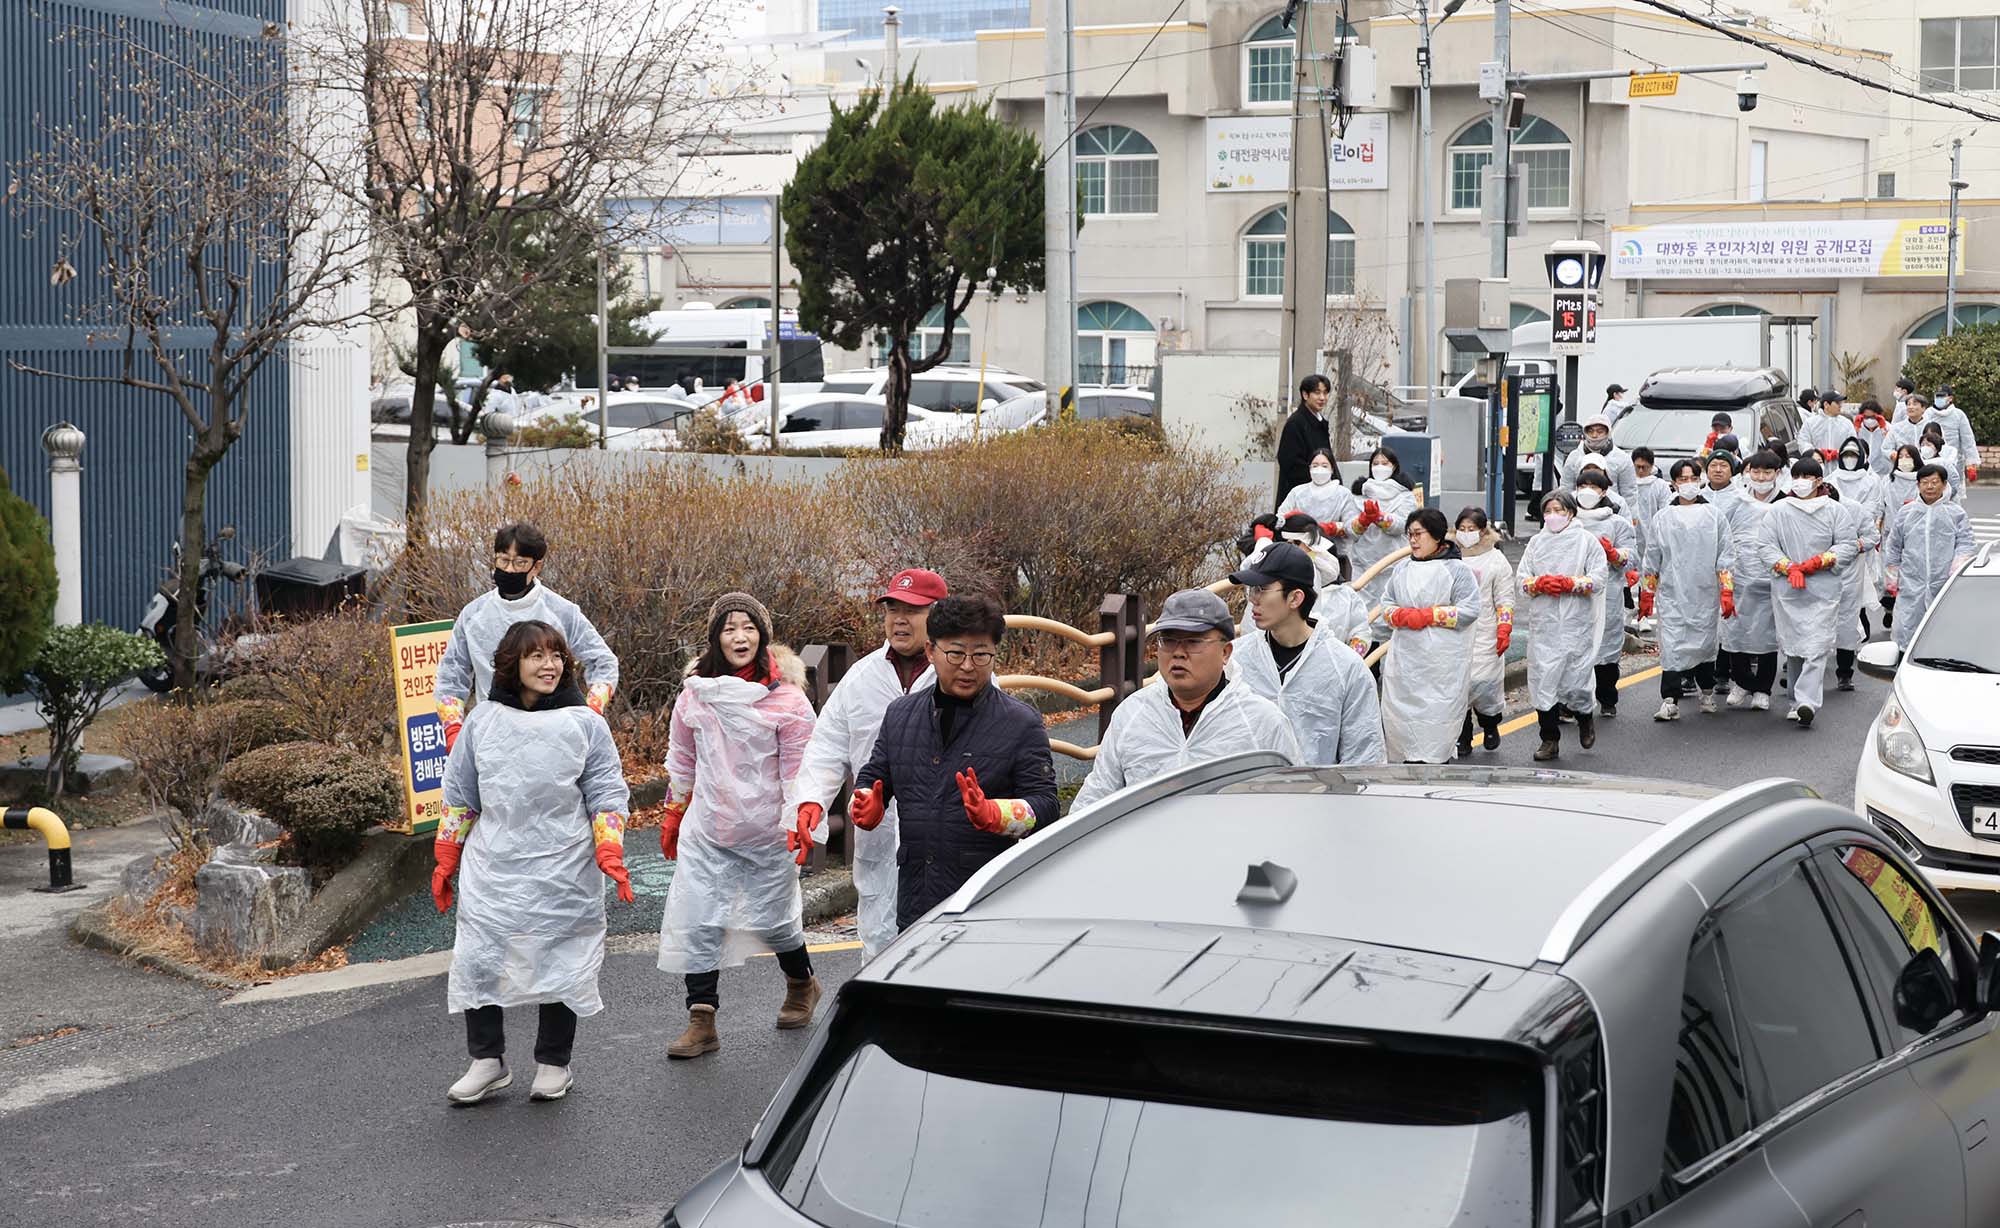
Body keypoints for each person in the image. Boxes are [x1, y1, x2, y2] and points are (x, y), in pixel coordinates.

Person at [435, 620, 633, 1105]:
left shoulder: (585, 723)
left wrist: (609, 847)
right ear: (512, 663)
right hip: (494, 860)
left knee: (560, 953)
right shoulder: (482, 722)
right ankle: (487, 1060)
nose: (550, 665)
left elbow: (606, 792)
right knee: (480, 955)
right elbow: (460, 794)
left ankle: (553, 1062)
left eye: (557, 655)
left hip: (564, 859)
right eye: (537, 656)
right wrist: (446, 856)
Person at [654, 593, 821, 1059]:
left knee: (775, 920)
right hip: (709, 829)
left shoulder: (788, 700)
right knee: (699, 920)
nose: (740, 637)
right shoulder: (696, 694)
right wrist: (674, 811)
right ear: (716, 638)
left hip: (768, 831)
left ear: (763, 636)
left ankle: (802, 984)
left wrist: (799, 820)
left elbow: (798, 770)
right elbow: (682, 758)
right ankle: (701, 1020)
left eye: (749, 627)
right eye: (729, 628)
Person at [853, 595, 1059, 928]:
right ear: (931, 651)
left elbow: (1046, 805)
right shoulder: (900, 715)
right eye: (956, 653)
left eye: (981, 654)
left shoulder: (1021, 723)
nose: (968, 666)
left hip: (987, 903)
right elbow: (875, 775)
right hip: (916, 900)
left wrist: (998, 814)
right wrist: (865, 801)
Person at [790, 568, 946, 958]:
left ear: (938, 614)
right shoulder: (861, 677)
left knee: (940, 945)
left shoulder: (960, 674)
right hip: (878, 833)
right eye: (892, 609)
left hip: (945, 838)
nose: (899, 619)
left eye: (912, 610)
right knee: (879, 944)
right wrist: (811, 801)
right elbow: (827, 746)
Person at [1073, 589, 1300, 810]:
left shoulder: (1262, 722)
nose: (1178, 652)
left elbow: (1293, 805)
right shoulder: (1132, 714)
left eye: (1193, 641)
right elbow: (1095, 799)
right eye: (1168, 641)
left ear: (1225, 652)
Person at [434, 521, 620, 752]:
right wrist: (453, 728)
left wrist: (590, 713)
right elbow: (451, 676)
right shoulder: (473, 615)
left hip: (556, 739)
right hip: (493, 737)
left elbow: (603, 662)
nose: (510, 570)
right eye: (503, 560)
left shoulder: (561, 612)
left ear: (537, 566)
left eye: (520, 562)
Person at [1228, 543, 1386, 766]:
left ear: (1295, 598)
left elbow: (1364, 757)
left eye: (1262, 589)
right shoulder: (1237, 658)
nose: (1253, 599)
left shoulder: (1345, 668)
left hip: (1317, 788)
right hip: (1245, 786)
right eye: (1251, 589)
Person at [1369, 508, 1484, 764]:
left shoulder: (1457, 570)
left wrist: (1430, 616)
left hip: (1441, 664)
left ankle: (1435, 765)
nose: (1413, 540)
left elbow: (1470, 609)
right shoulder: (1402, 569)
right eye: (1409, 534)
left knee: (1435, 726)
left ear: (1436, 536)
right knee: (1402, 722)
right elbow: (1387, 603)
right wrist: (1399, 615)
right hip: (1405, 659)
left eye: (1418, 534)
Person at [1757, 458, 1855, 728]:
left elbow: (1847, 545)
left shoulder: (1835, 511)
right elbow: (1765, 546)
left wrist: (1820, 561)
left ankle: (1807, 702)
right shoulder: (1778, 511)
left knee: (1817, 646)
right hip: (1789, 589)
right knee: (1795, 647)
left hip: (1823, 589)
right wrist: (1788, 567)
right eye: (1797, 476)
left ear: (1819, 481)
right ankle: (1795, 701)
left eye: (1807, 477)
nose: (1801, 482)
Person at [1518, 492, 1612, 760]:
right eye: (1548, 511)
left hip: (1576, 624)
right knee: (1542, 680)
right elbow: (1522, 579)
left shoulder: (1587, 542)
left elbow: (1599, 578)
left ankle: (1584, 717)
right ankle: (1549, 738)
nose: (1553, 516)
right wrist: (1538, 584)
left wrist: (1573, 583)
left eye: (1559, 510)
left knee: (1577, 679)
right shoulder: (1536, 543)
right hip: (1544, 624)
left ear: (1571, 512)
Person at [1642, 459, 1731, 719]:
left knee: (1705, 644)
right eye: (1683, 479)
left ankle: (1707, 693)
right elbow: (1652, 556)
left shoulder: (1714, 516)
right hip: (1672, 592)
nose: (1688, 483)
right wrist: (1647, 593)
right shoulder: (1663, 518)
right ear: (1673, 483)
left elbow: (1725, 554)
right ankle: (1670, 700)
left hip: (1705, 592)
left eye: (1693, 478)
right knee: (1671, 645)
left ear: (1700, 481)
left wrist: (1726, 590)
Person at [1716, 450, 1785, 711]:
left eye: (1767, 472)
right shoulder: (1737, 502)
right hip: (1740, 575)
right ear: (1747, 473)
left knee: (1767, 634)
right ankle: (1742, 681)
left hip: (1772, 577)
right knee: (1736, 629)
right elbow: (1723, 534)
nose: (1761, 477)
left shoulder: (1785, 504)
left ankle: (1763, 689)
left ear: (1777, 474)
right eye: (1756, 472)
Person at [1885, 464, 1976, 653]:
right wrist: (1892, 577)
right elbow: (1894, 545)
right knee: (1907, 629)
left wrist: (1956, 569)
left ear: (1944, 484)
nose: (1930, 487)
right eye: (1925, 482)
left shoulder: (1956, 513)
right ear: (1918, 485)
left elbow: (1966, 543)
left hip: (1943, 583)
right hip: (1911, 583)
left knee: (1943, 628)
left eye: (1935, 482)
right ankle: (1905, 660)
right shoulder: (1906, 513)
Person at [1574, 468, 1637, 717]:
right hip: (1572, 593)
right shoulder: (1567, 520)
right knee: (1574, 648)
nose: (1587, 491)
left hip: (1607, 594)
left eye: (1593, 487)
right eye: (1583, 486)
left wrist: (1614, 554)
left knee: (1606, 647)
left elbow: (1631, 557)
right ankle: (1571, 702)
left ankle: (1607, 697)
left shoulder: (1616, 523)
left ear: (1604, 492)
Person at [1453, 507, 1515, 755]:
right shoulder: (1449, 556)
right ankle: (1463, 735)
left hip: (1485, 631)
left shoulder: (1495, 559)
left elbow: (1505, 598)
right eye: (1462, 529)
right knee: (1457, 687)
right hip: (1455, 631)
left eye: (1472, 529)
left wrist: (1504, 627)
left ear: (1483, 531)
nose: (1466, 533)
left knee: (1485, 684)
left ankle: (1490, 724)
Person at [1831, 447, 1886, 691]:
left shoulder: (1854, 508)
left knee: (1846, 622)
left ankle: (1844, 673)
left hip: (1849, 574)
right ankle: (1803, 672)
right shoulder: (1806, 506)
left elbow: (1872, 536)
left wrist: (1853, 547)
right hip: (1816, 574)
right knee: (1812, 625)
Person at [1345, 446, 1419, 585]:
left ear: (1394, 466)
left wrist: (1379, 517)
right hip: (1363, 562)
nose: (1380, 467)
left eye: (1385, 463)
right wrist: (1363, 521)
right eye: (1375, 463)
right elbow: (1349, 529)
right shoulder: (1359, 494)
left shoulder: (1405, 496)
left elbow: (1403, 525)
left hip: (1394, 561)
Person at [1276, 446, 1360, 558]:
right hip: (1301, 554)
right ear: (1309, 468)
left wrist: (1334, 527)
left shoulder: (1343, 494)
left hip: (1334, 554)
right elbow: (1281, 518)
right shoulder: (1297, 492)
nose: (1319, 469)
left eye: (1324, 466)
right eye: (1315, 465)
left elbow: (1352, 529)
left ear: (1332, 469)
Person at [1275, 374, 1336, 507]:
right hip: (1299, 499)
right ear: (1305, 395)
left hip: (1322, 496)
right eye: (1317, 393)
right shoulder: (1295, 423)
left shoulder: (1320, 423)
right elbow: (1290, 463)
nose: (1322, 398)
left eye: (1325, 393)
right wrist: (1318, 478)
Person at [1560, 413, 1638, 501]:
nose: (1594, 435)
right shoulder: (1574, 457)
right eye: (1590, 431)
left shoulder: (1622, 459)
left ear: (1608, 432)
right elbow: (1566, 489)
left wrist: (1623, 509)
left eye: (1600, 431)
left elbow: (1629, 494)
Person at [1927, 385, 1980, 492]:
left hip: (1954, 462)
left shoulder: (1958, 415)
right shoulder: (1928, 414)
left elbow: (1968, 440)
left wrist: (1971, 463)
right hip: (1932, 460)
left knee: (1953, 492)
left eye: (1942, 396)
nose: (1939, 398)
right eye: (1937, 396)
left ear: (1950, 398)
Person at [1797, 387, 1856, 459]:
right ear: (1826, 404)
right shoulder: (1811, 423)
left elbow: (1853, 443)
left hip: (1840, 463)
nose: (1840, 405)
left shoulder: (1846, 423)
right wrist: (1816, 453)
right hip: (1817, 464)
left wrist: (1840, 453)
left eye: (1840, 403)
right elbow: (1803, 442)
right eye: (1837, 403)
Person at [1919, 422, 1965, 500]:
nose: (1925, 447)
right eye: (1923, 445)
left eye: (1929, 444)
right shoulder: (1918, 459)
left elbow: (1954, 480)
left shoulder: (1945, 460)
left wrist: (1946, 496)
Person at [1855, 398, 1893, 475]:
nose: (1869, 420)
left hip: (1884, 472)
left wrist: (1883, 429)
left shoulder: (1888, 428)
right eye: (1866, 417)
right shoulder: (1858, 428)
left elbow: (1891, 446)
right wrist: (1856, 429)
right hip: (1862, 472)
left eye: (1872, 417)